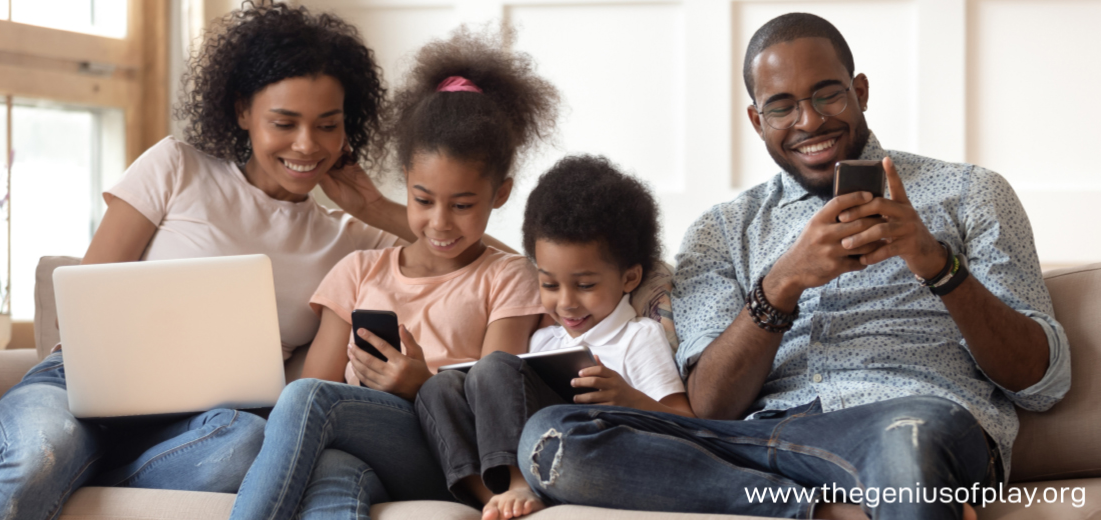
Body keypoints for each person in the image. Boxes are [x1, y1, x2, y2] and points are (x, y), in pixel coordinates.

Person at [516, 12, 1070, 520]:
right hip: (759, 443)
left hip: (909, 420)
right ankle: (822, 512)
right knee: (552, 440)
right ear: (758, 120)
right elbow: (710, 405)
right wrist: (782, 283)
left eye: (827, 95)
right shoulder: (722, 230)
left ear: (860, 92)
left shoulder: (971, 194)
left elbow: (1042, 383)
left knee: (908, 441)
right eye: (782, 106)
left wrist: (938, 265)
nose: (809, 121)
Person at [0, 3, 414, 519]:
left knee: (246, 444)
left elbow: (491, 261)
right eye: (284, 123)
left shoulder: (349, 237)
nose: (307, 145)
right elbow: (80, 304)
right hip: (73, 390)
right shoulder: (176, 166)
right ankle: (54, 464)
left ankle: (73, 472)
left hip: (205, 427)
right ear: (243, 110)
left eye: (327, 125)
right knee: (44, 450)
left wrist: (375, 207)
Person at [227, 25, 560, 520]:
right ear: (405, 183)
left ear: (501, 195)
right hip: (373, 445)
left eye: (464, 204)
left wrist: (419, 382)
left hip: (451, 451)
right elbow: (321, 380)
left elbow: (496, 398)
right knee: (335, 473)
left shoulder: (508, 276)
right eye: (423, 200)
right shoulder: (359, 269)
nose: (440, 222)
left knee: (306, 399)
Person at [416, 155, 693, 520]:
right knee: (439, 387)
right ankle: (493, 498)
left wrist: (631, 399)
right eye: (548, 284)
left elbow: (687, 422)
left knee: (496, 365)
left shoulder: (638, 337)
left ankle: (520, 487)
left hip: (587, 454)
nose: (565, 303)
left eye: (585, 285)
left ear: (629, 278)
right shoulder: (544, 342)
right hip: (533, 452)